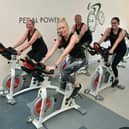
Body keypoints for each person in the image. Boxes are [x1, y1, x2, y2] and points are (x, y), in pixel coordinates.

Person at [41, 18, 86, 99]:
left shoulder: (74, 37)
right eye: (59, 28)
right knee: (62, 73)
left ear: (67, 27)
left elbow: (65, 53)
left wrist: (54, 65)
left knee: (64, 71)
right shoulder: (60, 37)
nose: (61, 30)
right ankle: (61, 93)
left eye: (63, 27)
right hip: (71, 57)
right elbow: (53, 49)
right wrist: (43, 61)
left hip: (80, 59)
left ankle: (77, 85)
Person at [97, 17, 127, 89]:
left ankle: (116, 79)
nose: (113, 24)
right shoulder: (109, 30)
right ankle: (109, 76)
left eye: (115, 23)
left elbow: (117, 41)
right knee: (106, 62)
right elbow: (103, 38)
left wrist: (112, 50)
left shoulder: (122, 31)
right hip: (113, 48)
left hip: (121, 50)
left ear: (118, 23)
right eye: (112, 23)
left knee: (113, 65)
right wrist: (96, 44)